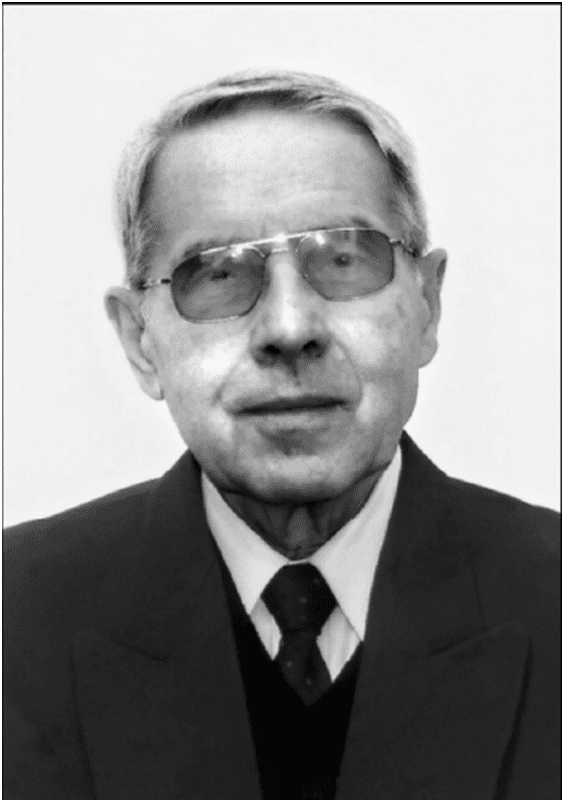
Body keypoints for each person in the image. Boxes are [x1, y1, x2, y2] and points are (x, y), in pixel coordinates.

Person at [4, 69, 560, 801]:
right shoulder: (16, 620)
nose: (290, 328)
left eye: (342, 258)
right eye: (218, 273)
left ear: (427, 304)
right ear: (140, 340)